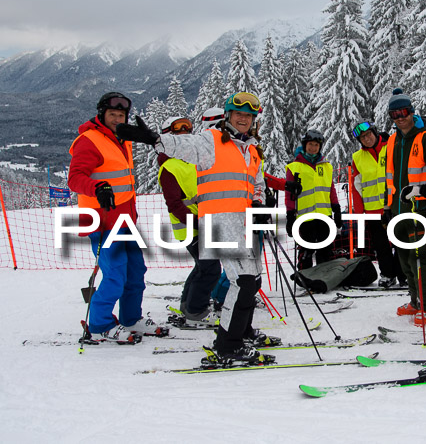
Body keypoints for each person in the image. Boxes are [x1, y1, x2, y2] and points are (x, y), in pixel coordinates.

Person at [116, 91, 277, 364]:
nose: (243, 119)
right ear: (228, 116)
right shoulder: (211, 141)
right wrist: (156, 139)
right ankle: (229, 346)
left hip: (243, 224)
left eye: (248, 116)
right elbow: (183, 146)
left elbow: (256, 184)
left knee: (252, 281)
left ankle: (241, 330)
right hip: (218, 222)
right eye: (238, 114)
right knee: (243, 281)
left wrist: (260, 204)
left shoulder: (250, 150)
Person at [68, 92, 166, 342]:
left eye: (121, 115)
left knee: (136, 271)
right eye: (112, 114)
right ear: (102, 114)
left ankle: (131, 319)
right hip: (102, 222)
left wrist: (151, 138)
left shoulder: (122, 137)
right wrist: (97, 188)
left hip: (125, 221)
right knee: (115, 275)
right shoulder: (88, 141)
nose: (116, 119)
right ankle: (100, 324)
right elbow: (75, 178)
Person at [383, 88, 426, 327]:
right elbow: (388, 176)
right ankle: (415, 301)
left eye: (404, 111)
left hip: (420, 208)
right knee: (404, 259)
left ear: (412, 111)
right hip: (398, 209)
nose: (400, 117)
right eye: (394, 114)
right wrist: (387, 206)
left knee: (420, 258)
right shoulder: (393, 140)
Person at [157, 116, 221, 324]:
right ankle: (196, 311)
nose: (185, 134)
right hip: (191, 228)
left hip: (203, 224)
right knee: (211, 269)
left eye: (188, 130)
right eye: (179, 131)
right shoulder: (170, 167)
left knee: (202, 267)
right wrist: (197, 223)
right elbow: (175, 204)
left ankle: (188, 305)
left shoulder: (193, 162)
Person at [349, 120, 405, 288]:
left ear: (374, 132)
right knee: (381, 247)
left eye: (368, 134)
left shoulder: (391, 147)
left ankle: (403, 274)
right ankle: (387, 274)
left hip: (394, 206)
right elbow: (356, 187)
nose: (366, 139)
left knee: (401, 242)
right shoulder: (357, 158)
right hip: (373, 210)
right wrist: (360, 214)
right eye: (362, 138)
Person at [285, 130, 342, 274]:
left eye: (316, 145)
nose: (313, 148)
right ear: (305, 145)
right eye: (310, 144)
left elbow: (331, 188)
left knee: (326, 249)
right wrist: (290, 215)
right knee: (306, 250)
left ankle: (325, 277)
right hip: (305, 217)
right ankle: (305, 276)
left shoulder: (326, 166)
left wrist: (336, 208)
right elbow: (289, 194)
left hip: (324, 215)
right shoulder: (294, 167)